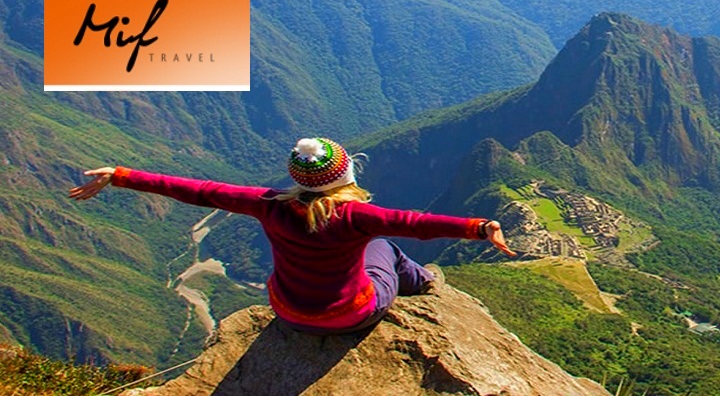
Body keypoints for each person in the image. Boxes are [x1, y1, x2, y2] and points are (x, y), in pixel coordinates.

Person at [69, 137, 516, 334]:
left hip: (287, 312)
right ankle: (427, 284)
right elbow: (416, 225)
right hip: (351, 314)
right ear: (346, 175)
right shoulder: (357, 218)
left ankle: (420, 282)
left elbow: (199, 191)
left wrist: (123, 175)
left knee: (378, 244)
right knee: (385, 246)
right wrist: (479, 227)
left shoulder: (267, 203)